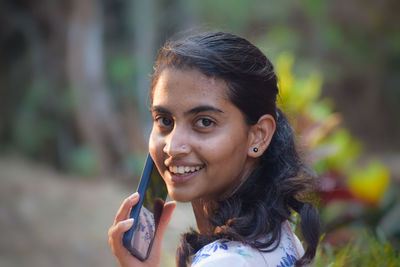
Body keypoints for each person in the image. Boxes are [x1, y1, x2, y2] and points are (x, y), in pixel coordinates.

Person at [108, 31, 320, 267]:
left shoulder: (224, 261)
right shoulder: (278, 235)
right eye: (165, 120)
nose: (173, 146)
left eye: (204, 122)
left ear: (258, 136)